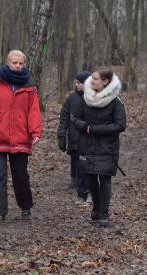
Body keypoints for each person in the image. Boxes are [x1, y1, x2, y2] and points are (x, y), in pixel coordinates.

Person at [0, 50, 42, 223]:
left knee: (20, 174)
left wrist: (35, 131)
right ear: (7, 63)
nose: (17, 66)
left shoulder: (29, 86)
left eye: (20, 63)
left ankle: (25, 208)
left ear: (24, 64)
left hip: (21, 138)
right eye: (14, 63)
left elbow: (34, 111)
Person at [71, 67, 126, 227]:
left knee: (105, 179)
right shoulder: (84, 98)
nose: (91, 81)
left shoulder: (116, 101)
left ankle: (104, 213)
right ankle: (96, 207)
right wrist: (85, 127)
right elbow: (75, 118)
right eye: (92, 78)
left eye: (95, 78)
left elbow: (120, 125)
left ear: (105, 82)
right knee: (90, 179)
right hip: (87, 145)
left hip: (107, 147)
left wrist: (94, 129)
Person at [57, 71, 92, 204]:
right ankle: (78, 185)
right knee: (77, 162)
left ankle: (89, 191)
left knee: (88, 165)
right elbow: (64, 118)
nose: (77, 85)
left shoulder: (94, 97)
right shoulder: (71, 99)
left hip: (89, 138)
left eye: (80, 82)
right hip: (74, 138)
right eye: (76, 82)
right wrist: (61, 135)